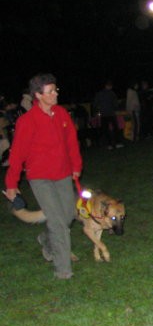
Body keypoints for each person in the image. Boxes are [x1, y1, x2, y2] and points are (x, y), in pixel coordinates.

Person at [3, 73, 83, 279]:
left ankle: (47, 240)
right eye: (50, 92)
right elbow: (17, 153)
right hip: (40, 178)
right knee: (58, 223)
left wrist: (76, 165)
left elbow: (71, 142)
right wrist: (11, 183)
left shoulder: (62, 114)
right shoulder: (27, 121)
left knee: (66, 216)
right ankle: (63, 269)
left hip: (63, 174)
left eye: (55, 90)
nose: (55, 94)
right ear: (38, 95)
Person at [93, 80, 123, 149]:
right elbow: (115, 104)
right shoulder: (112, 93)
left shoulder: (99, 94)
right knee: (115, 128)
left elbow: (95, 104)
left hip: (103, 114)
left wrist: (98, 109)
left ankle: (109, 144)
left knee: (105, 130)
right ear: (110, 86)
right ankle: (117, 142)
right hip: (111, 113)